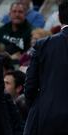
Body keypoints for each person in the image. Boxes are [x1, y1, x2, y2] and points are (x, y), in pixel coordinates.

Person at [24, 1, 68, 134]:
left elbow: (30, 84)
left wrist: (37, 106)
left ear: (59, 17)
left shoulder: (43, 44)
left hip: (47, 114)